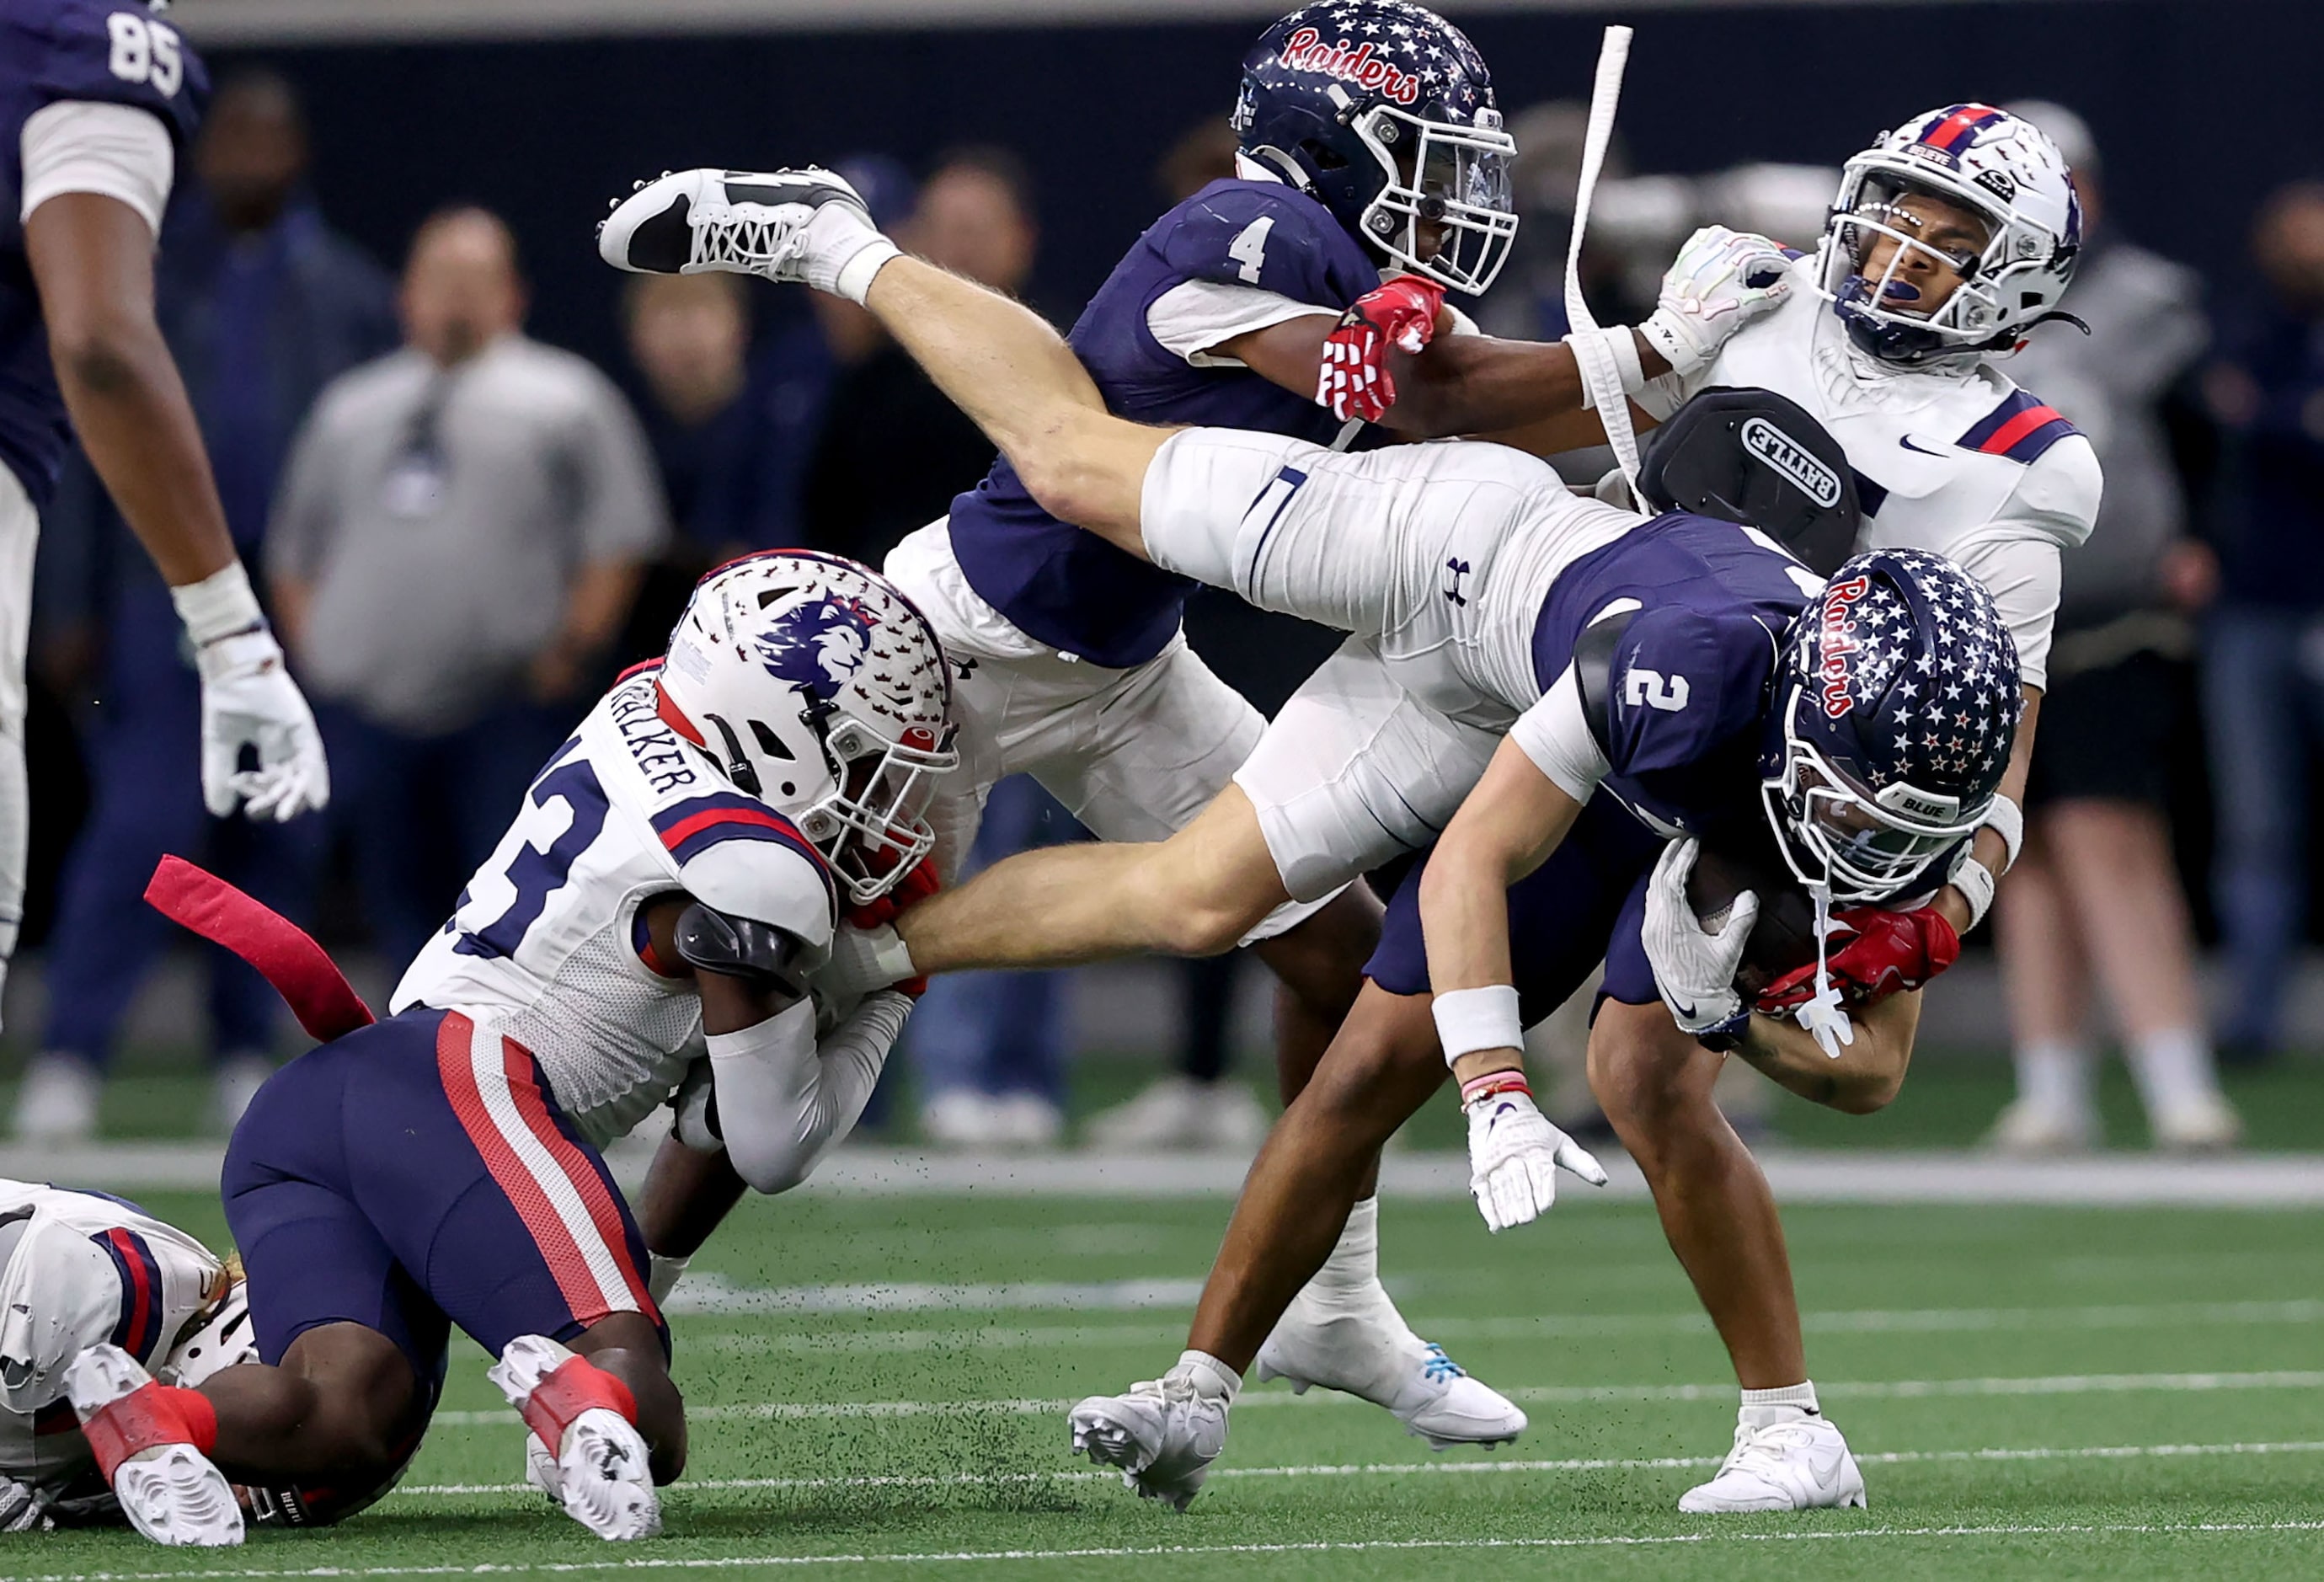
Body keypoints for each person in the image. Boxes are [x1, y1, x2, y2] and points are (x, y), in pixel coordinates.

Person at [650, 201, 2009, 1510]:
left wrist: (1734, 1010)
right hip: (1446, 550)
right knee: (1074, 463)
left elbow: (1868, 1069)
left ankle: (847, 960)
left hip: (1495, 673)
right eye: (1852, 796)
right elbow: (1474, 856)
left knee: (1200, 898)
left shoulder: (1898, 752)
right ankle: (833, 235)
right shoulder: (1680, 669)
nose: (1864, 831)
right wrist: (1489, 1085)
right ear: (1805, 712)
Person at [601, 2, 1795, 1449]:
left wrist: (1665, 364)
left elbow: (1490, 403)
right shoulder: (1251, 230)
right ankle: (629, 1286)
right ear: (1321, 143)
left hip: (1121, 665)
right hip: (957, 651)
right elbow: (1423, 395)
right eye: (1418, 161)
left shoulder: (1360, 265)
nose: (1447, 199)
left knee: (1334, 950)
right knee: (785, 982)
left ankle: (1334, 1295)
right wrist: (1650, 346)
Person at [61, 552, 954, 1547]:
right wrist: (885, 997)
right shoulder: (751, 873)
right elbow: (770, 1144)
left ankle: (158, 1419)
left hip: (320, 1104)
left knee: (348, 1419)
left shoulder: (639, 705)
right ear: (776, 720)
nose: (888, 802)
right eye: (864, 757)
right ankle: (571, 1393)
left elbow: (711, 1125)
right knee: (646, 1406)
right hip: (459, 1087)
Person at [16, 67, 394, 1142]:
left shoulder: (348, 291)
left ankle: (243, 1047)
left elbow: (369, 462)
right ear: (201, 151)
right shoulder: (141, 270)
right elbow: (89, 436)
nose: (248, 161)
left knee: (274, 834)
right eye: (231, 142)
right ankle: (71, 1053)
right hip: (157, 591)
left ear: (298, 156)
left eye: (268, 143)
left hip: (296, 598)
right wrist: (68, 597)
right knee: (144, 824)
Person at [0, 0, 331, 1040]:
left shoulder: (328, 291)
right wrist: (233, 633)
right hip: (168, 591)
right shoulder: (76, 39)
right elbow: (99, 342)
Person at [266, 206, 668, 968]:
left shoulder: (565, 399)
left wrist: (573, 648)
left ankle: (512, 1067)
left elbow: (619, 535)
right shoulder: (350, 408)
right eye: (437, 279)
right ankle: (410, 1068)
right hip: (373, 711)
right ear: (404, 296)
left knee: (513, 904)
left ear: (512, 294)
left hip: (507, 705)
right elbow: (294, 547)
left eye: (473, 279)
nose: (454, 297)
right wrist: (317, 652)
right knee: (395, 908)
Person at [1982, 102, 2237, 1152]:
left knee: (2107, 837)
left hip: (2109, 612)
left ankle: (2174, 1077)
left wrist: (2200, 538)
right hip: (1995, 624)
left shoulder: (2146, 304)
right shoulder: (1961, 309)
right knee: (2019, 851)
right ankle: (2050, 1087)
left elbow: (2208, 443)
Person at [2198, 179, 2324, 1061]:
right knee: (2255, 824)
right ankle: (2249, 1019)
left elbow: (2254, 414)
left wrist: (2267, 414)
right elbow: (2218, 416)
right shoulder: (2246, 331)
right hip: (2250, 607)